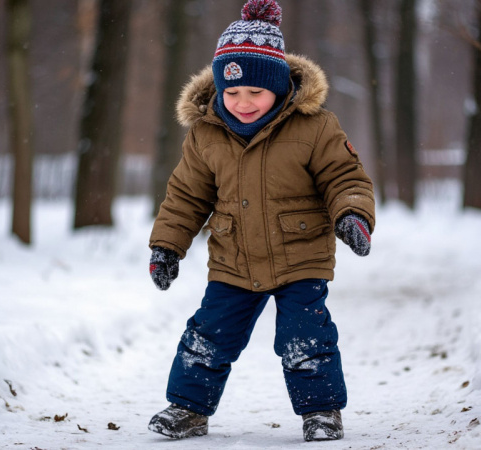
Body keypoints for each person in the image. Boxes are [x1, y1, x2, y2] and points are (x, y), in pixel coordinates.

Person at [146, 0, 375, 442]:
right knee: (208, 335)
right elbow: (186, 196)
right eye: (231, 93)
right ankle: (188, 409)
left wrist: (352, 215)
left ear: (279, 87)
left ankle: (322, 412)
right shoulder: (206, 134)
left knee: (304, 338)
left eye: (255, 92)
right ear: (217, 89)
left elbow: (344, 177)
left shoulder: (315, 127)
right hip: (234, 259)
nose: (242, 102)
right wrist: (166, 246)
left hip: (300, 254)